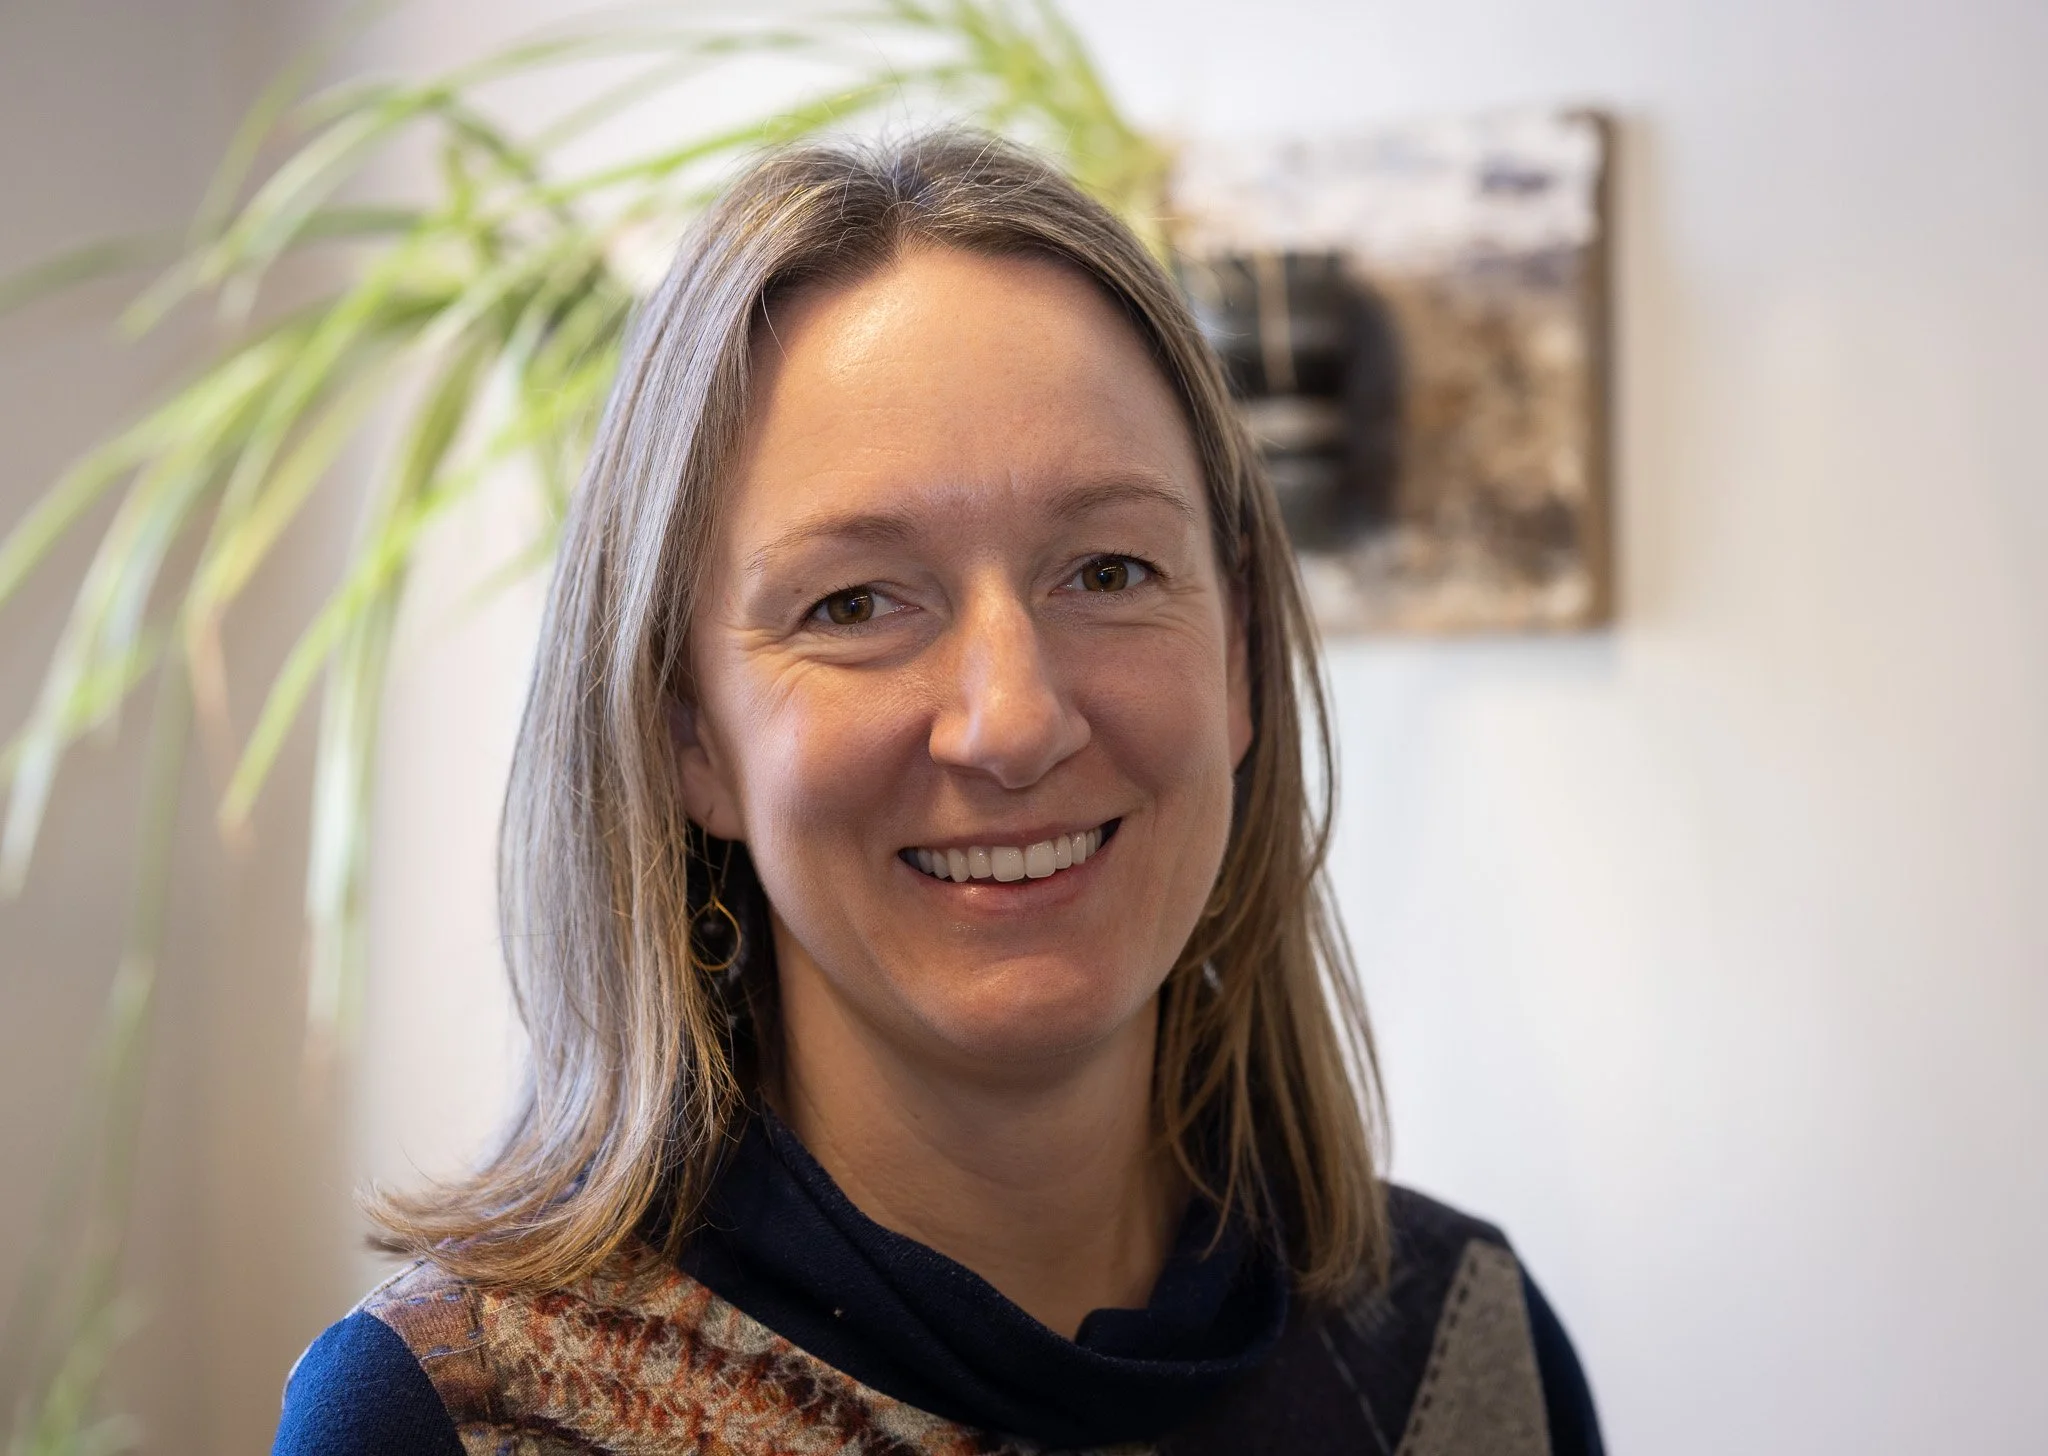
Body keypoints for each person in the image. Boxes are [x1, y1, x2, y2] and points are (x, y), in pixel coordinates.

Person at [273, 132, 1602, 1456]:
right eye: (854, 602)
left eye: (1110, 571)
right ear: (690, 734)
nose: (1013, 721)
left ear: (1241, 652)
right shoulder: (456, 1419)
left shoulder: (1456, 1361)